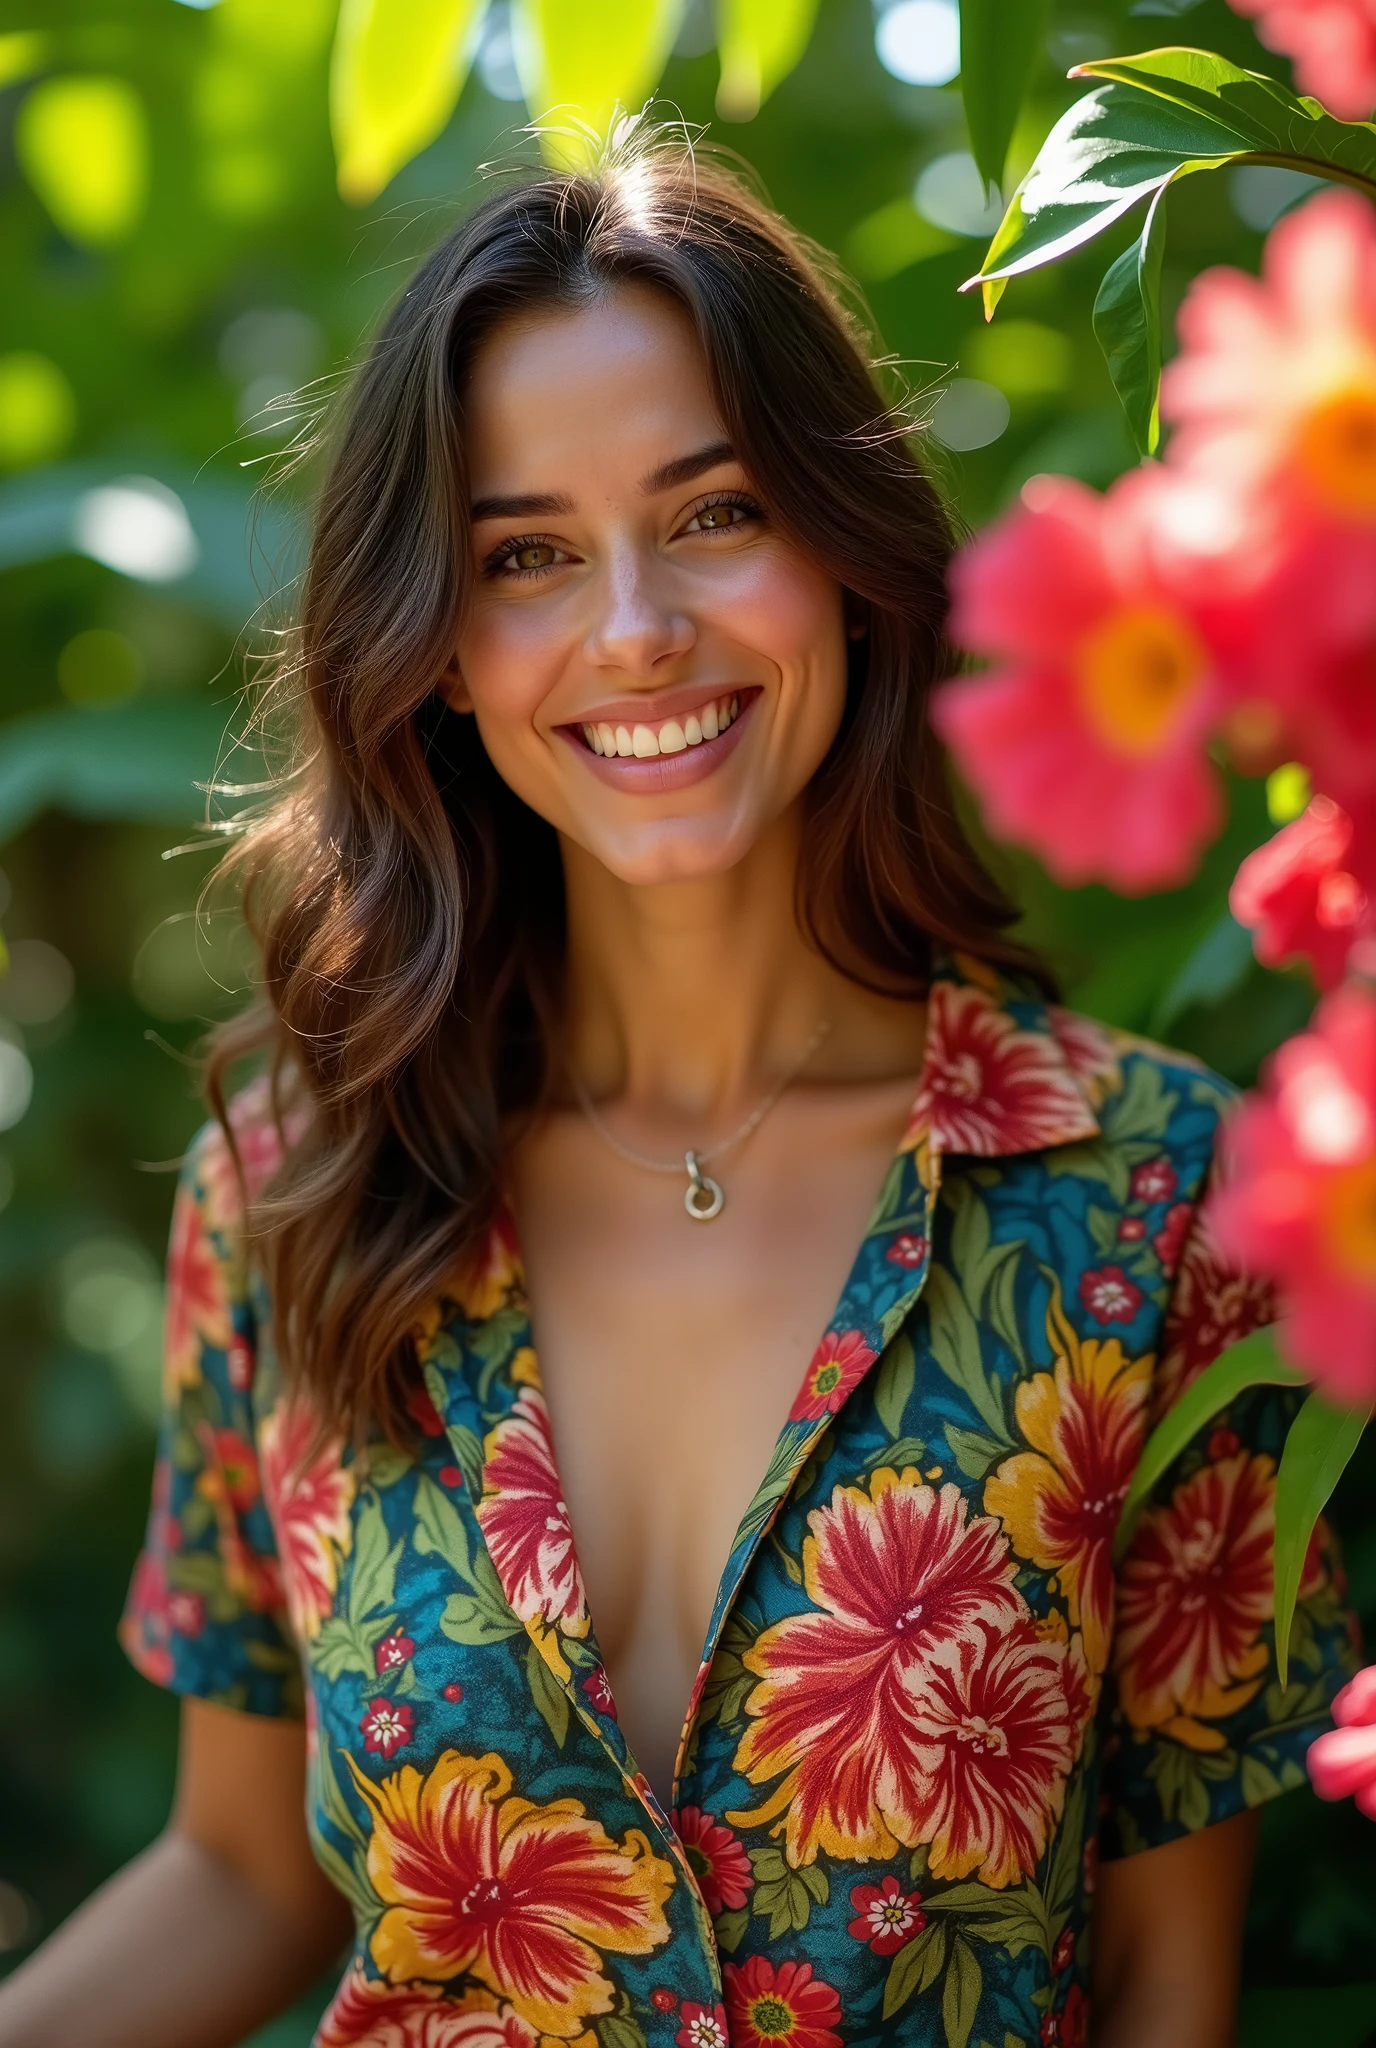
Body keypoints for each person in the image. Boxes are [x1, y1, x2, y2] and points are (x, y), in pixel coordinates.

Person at [0, 130, 1356, 2048]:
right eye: (526, 555)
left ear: (842, 552)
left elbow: (1160, 1975)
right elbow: (238, 1865)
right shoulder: (295, 1187)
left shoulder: (1146, 1196)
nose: (633, 626)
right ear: (442, 653)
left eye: (713, 514)